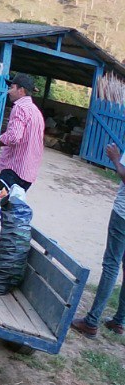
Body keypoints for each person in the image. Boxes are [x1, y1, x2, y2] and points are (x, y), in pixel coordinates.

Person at [71, 141, 125, 338]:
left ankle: (91, 322)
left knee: (111, 265)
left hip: (123, 215)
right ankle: (119, 321)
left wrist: (116, 160)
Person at [0, 73, 44, 191]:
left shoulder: (20, 108)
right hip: (27, 173)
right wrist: (5, 155)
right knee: (9, 205)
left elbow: (13, 137)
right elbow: (27, 140)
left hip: (14, 172)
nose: (8, 91)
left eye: (12, 88)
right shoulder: (35, 111)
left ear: (21, 90)